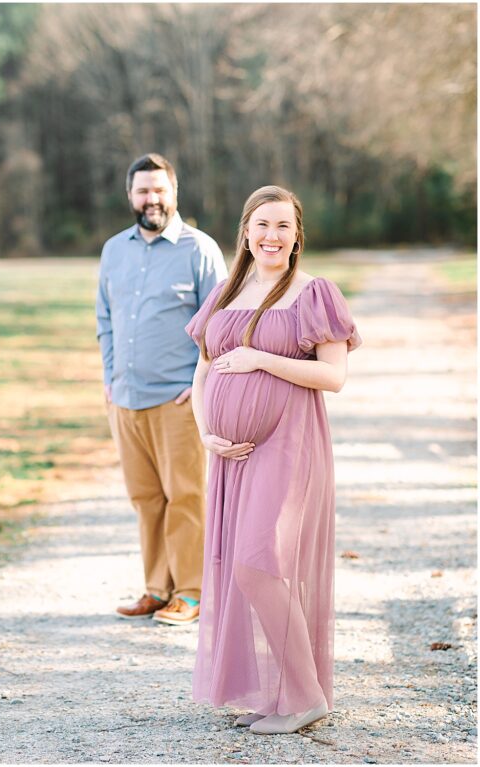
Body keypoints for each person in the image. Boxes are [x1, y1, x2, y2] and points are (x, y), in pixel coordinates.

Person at [185, 185, 361, 734]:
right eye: (263, 224)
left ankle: (307, 697)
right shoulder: (223, 293)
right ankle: (283, 691)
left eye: (284, 226)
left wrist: (262, 357)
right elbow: (202, 375)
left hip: (289, 443)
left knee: (257, 564)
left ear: (297, 236)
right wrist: (205, 432)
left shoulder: (314, 294)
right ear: (245, 232)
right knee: (244, 568)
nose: (272, 236)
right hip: (229, 454)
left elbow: (333, 377)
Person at [97, 153, 227, 626]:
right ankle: (157, 588)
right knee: (145, 498)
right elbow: (105, 319)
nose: (151, 199)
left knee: (186, 495)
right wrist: (111, 376)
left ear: (174, 193)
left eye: (159, 190)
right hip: (126, 399)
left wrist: (201, 381)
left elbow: (221, 325)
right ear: (130, 195)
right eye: (142, 191)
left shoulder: (200, 250)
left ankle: (190, 592)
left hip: (178, 399)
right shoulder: (115, 250)